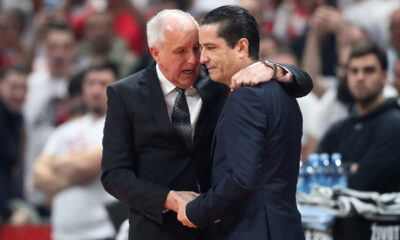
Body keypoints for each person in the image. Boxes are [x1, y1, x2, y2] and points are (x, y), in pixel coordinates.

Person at [101, 9, 312, 240]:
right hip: (158, 230)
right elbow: (114, 174)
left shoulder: (220, 79)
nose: (194, 60)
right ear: (156, 53)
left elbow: (300, 84)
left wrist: (276, 68)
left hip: (217, 227)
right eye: (181, 51)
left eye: (197, 47)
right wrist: (169, 199)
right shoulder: (125, 94)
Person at [174, 6, 305, 240]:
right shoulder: (283, 89)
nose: (203, 58)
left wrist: (195, 211)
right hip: (283, 226)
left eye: (212, 48)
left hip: (254, 230)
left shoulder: (247, 96)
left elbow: (241, 179)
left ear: (241, 47)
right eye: (202, 48)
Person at [315, 41, 400, 240]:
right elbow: (313, 179)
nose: (360, 77)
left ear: (384, 77)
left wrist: (337, 170)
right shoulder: (338, 128)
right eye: (354, 71)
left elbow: (362, 183)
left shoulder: (395, 124)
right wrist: (349, 168)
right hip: (339, 230)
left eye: (368, 70)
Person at [34, 62, 118, 240]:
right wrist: (75, 170)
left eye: (103, 84)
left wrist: (55, 163)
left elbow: (89, 166)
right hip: (61, 233)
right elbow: (37, 175)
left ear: (116, 87)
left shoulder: (120, 126)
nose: (95, 90)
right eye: (90, 83)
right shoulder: (64, 130)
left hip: (101, 233)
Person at [0, 65, 28, 223]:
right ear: (1, 86)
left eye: (23, 88)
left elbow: (13, 169)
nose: (19, 94)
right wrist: (8, 214)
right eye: (13, 87)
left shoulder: (18, 118)